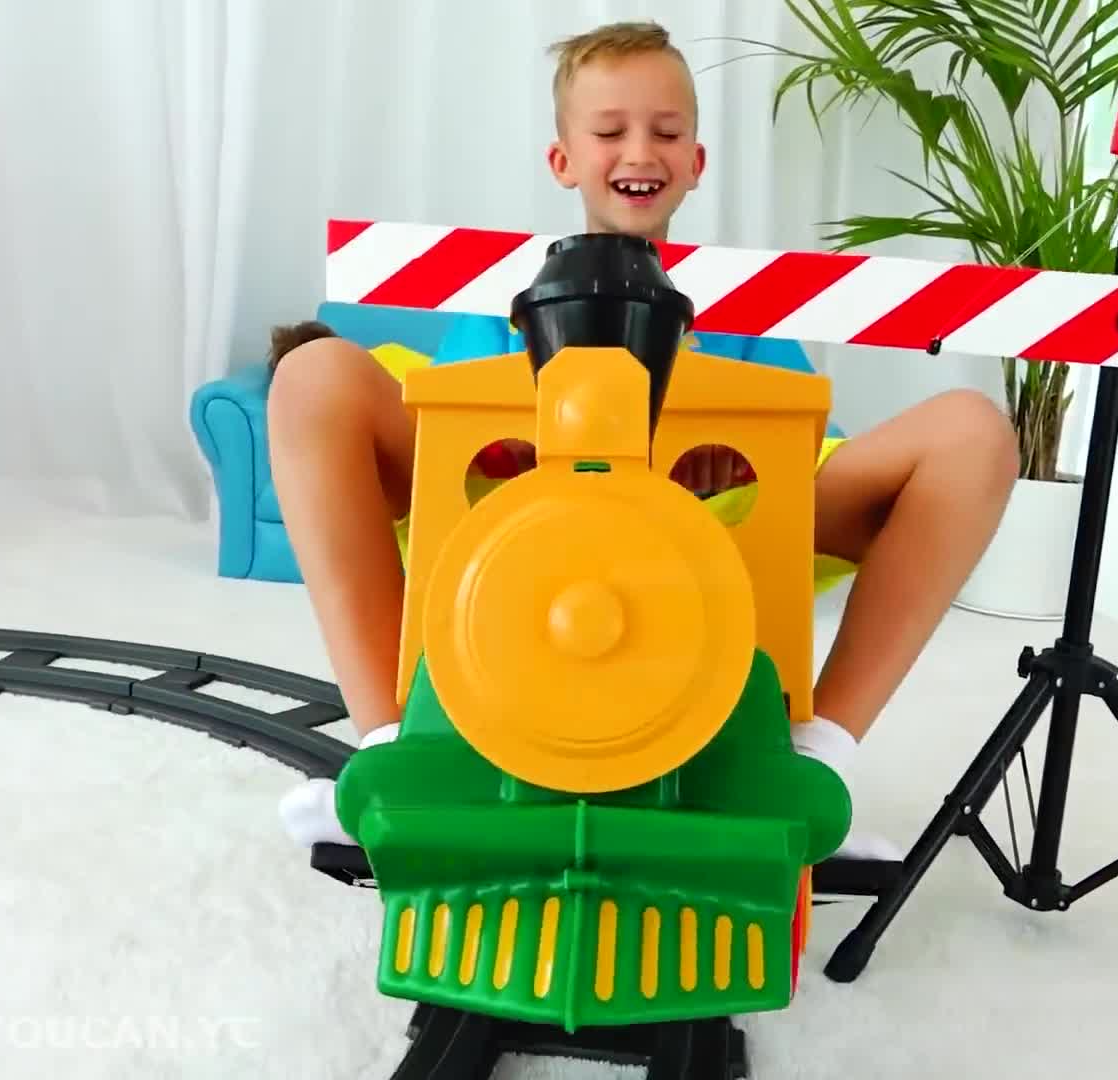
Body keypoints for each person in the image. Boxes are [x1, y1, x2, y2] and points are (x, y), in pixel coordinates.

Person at [266, 20, 1018, 859]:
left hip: (716, 540)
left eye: (665, 132)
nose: (640, 152)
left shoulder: (746, 309)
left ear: (697, 161)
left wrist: (721, 446)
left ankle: (810, 766)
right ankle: (394, 752)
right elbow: (455, 449)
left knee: (973, 430)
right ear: (563, 160)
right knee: (312, 372)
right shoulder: (494, 304)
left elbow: (803, 456)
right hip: (527, 538)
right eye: (610, 130)